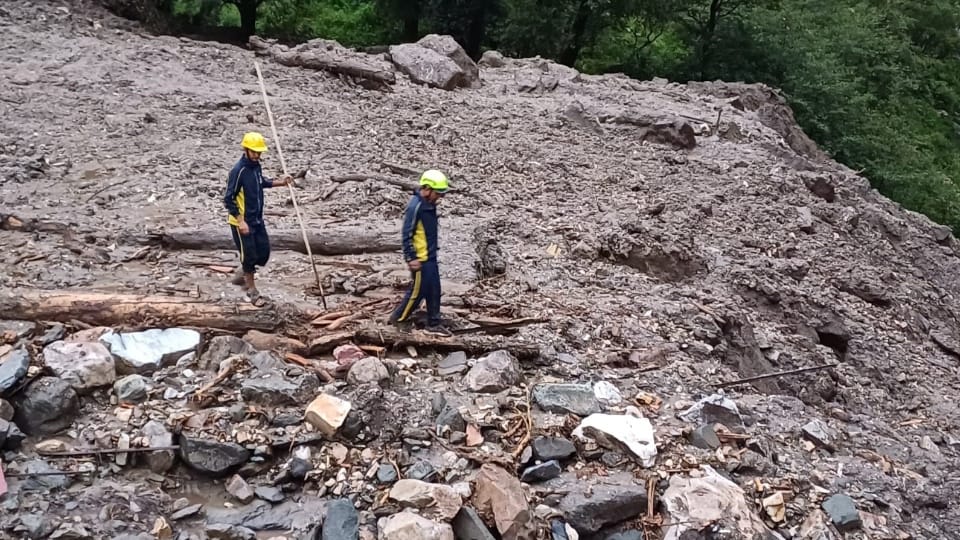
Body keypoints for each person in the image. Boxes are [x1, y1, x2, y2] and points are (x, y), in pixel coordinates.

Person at [223, 131, 292, 306]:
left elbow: (262, 182)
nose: (257, 155)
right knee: (249, 256)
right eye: (254, 152)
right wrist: (240, 221)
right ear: (246, 150)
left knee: (263, 252)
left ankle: (243, 274)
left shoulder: (255, 167)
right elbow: (228, 198)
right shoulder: (239, 171)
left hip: (256, 219)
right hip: (242, 222)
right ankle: (251, 290)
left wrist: (281, 183)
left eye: (259, 152)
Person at [389, 170, 452, 337]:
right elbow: (407, 233)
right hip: (420, 259)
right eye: (438, 194)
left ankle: (434, 322)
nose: (439, 198)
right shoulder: (415, 206)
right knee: (417, 293)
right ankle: (399, 319)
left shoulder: (429, 204)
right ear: (426, 188)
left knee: (434, 290)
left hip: (430, 257)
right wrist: (411, 257)